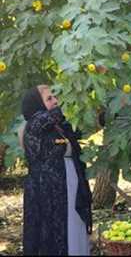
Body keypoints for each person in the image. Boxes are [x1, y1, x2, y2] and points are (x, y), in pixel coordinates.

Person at [20, 85, 92, 255]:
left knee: (73, 224)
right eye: (49, 98)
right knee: (53, 232)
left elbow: (84, 127)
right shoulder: (34, 125)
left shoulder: (60, 126)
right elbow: (54, 115)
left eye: (55, 97)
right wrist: (82, 89)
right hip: (48, 192)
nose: (55, 101)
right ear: (37, 104)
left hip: (69, 183)